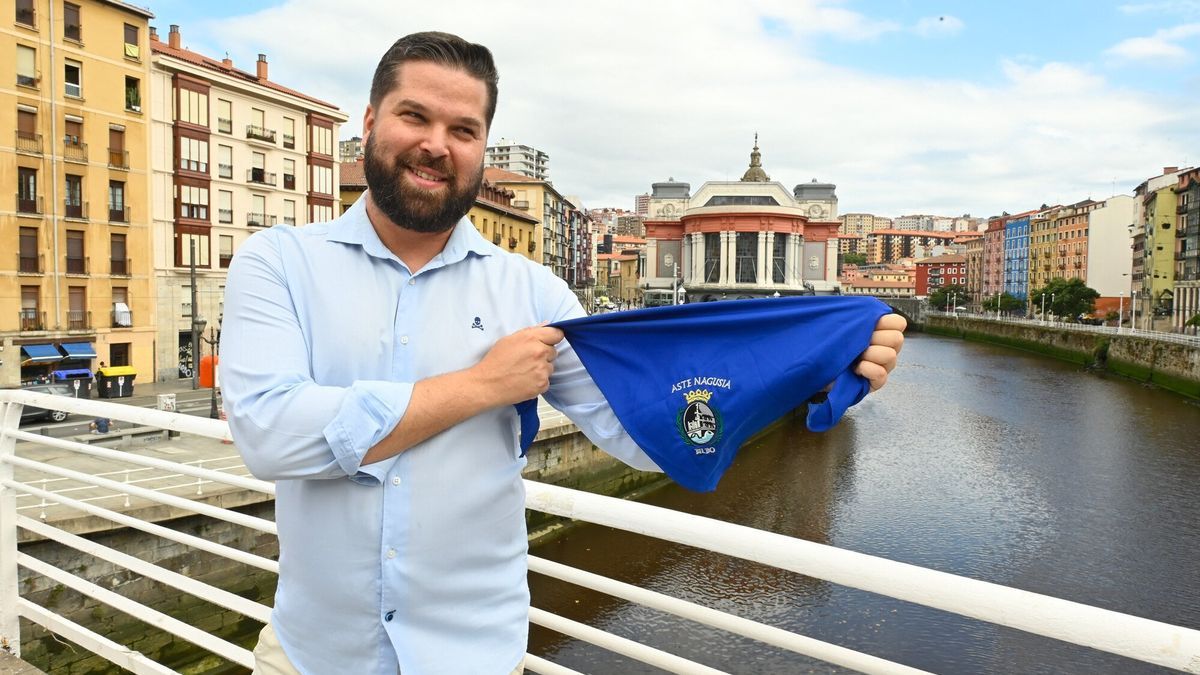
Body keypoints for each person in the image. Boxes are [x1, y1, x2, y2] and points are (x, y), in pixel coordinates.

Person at [220, 32, 905, 675]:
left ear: (482, 148)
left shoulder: (532, 291)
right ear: (370, 122)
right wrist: (483, 386)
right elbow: (271, 434)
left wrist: (805, 370)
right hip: (312, 655)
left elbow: (639, 426)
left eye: (463, 130)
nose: (436, 145)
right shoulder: (279, 263)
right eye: (414, 116)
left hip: (473, 656)